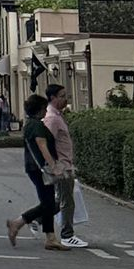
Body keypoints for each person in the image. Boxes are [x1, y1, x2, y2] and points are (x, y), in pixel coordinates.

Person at [7, 93, 65, 251]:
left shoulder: (30, 124)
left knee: (48, 202)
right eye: (44, 108)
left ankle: (50, 237)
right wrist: (53, 166)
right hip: (40, 168)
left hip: (35, 167)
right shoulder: (36, 126)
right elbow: (42, 146)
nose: (46, 111)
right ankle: (18, 222)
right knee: (48, 203)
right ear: (39, 109)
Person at [44, 83, 86, 248]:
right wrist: (55, 165)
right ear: (53, 98)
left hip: (65, 163)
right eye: (62, 96)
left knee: (60, 199)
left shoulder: (58, 116)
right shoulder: (52, 118)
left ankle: (33, 217)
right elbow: (47, 143)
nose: (65, 99)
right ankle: (67, 234)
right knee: (67, 201)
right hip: (61, 166)